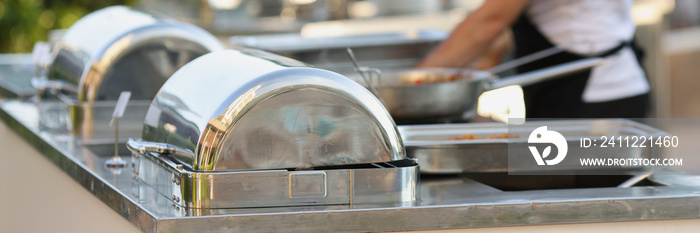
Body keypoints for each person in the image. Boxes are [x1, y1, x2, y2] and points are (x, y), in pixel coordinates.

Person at [417, 0, 650, 118]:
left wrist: (414, 84)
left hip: (590, 99)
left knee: (578, 204)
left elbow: (489, 21)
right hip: (614, 87)